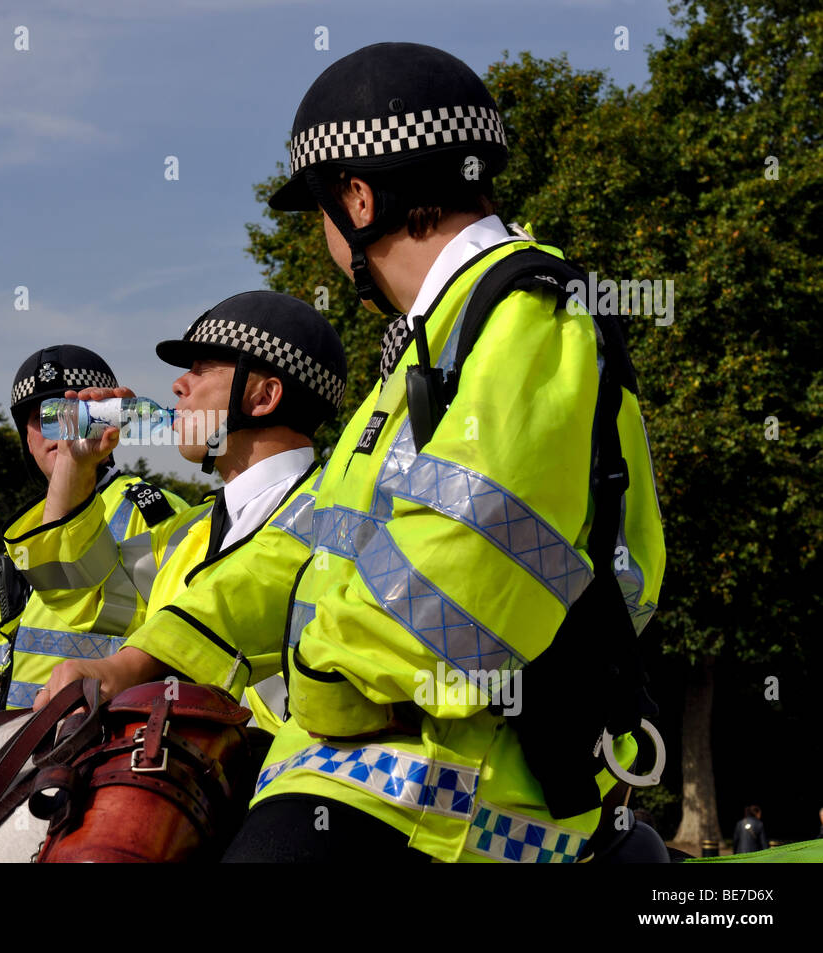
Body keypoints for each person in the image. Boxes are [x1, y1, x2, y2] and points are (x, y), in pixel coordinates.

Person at [207, 42, 666, 862]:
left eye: (317, 213)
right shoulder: (432, 343)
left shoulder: (530, 310)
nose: (322, 239)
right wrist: (143, 655)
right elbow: (304, 547)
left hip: (442, 796)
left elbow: (466, 572)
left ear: (356, 198)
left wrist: (317, 676)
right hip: (368, 774)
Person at [24, 292, 347, 731]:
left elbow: (242, 597)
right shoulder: (189, 531)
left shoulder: (335, 512)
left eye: (200, 370)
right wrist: (75, 465)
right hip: (192, 785)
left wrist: (126, 669)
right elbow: (76, 590)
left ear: (264, 397)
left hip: (291, 783)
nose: (178, 385)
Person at [0, 346, 186, 712]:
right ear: (26, 438)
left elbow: (172, 650)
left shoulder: (152, 513)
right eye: (40, 417)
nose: (55, 429)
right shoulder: (27, 530)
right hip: (7, 754)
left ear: (108, 419)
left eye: (69, 414)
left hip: (94, 753)